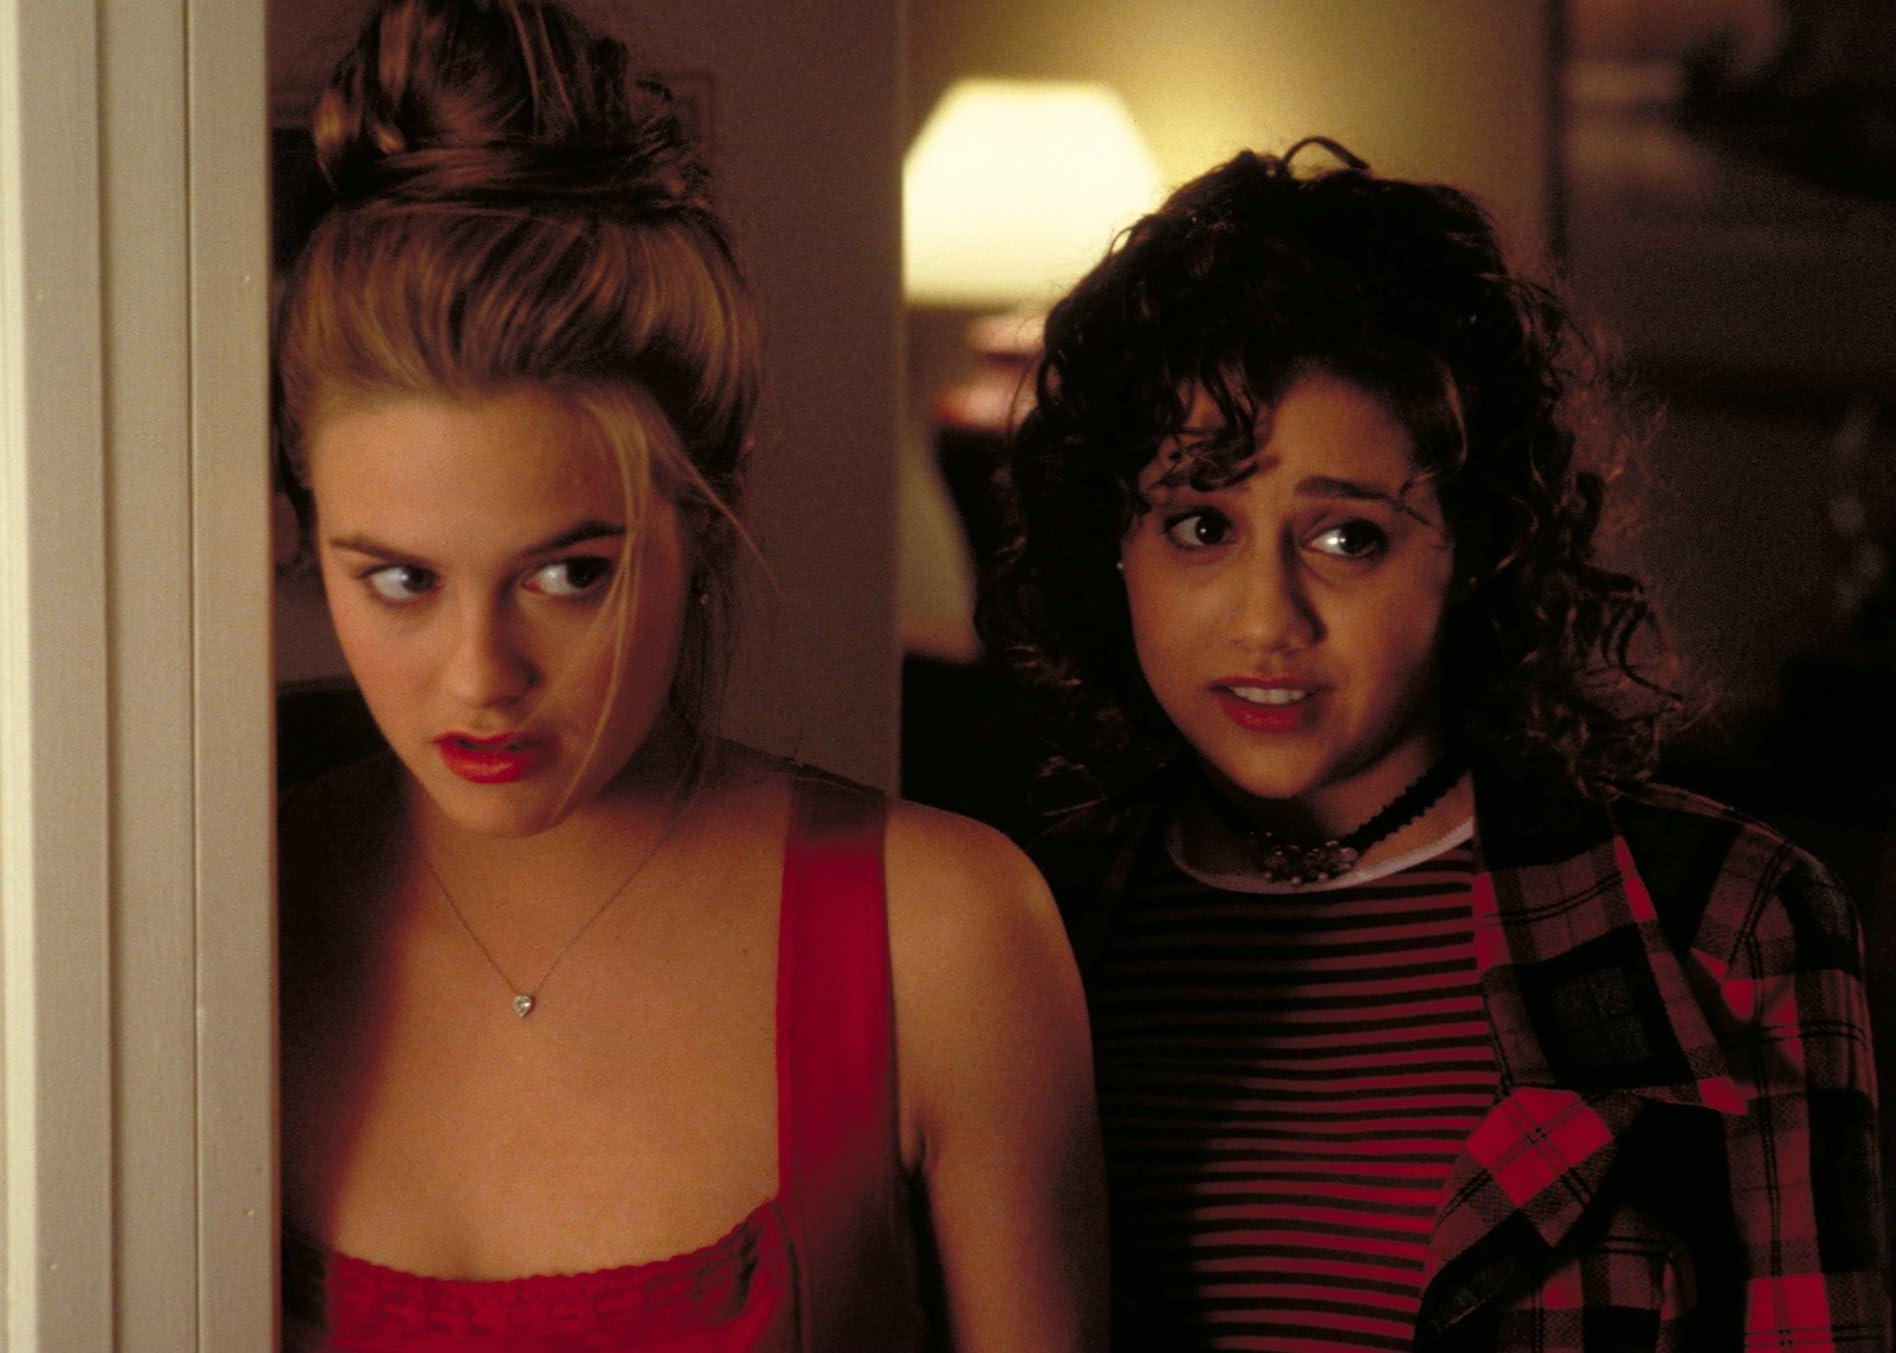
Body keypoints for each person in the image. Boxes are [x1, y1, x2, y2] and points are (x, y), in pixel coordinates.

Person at [272, 3, 1106, 1348]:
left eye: (568, 573)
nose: (480, 677)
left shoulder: (943, 936)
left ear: (708, 523)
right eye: (401, 581)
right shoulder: (225, 918)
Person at [983, 139, 1887, 1349]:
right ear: (1116, 549)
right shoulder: (1021, 935)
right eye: (1199, 526)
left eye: (1346, 538)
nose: (1265, 620)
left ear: (1472, 551)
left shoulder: (1724, 923)